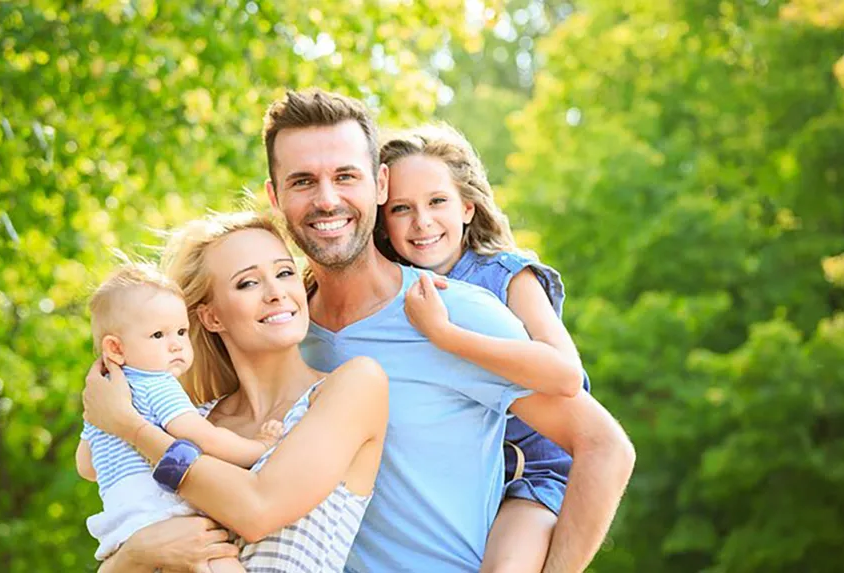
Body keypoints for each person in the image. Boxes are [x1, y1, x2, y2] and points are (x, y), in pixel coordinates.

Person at [85, 89, 635, 573]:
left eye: (345, 175)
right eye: (303, 181)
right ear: (276, 198)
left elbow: (604, 448)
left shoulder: (450, 314)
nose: (326, 199)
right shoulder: (274, 330)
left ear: (380, 183)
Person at [82, 214, 389, 572]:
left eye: (285, 272)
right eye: (247, 283)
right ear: (212, 318)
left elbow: (258, 511)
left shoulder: (353, 386)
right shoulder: (193, 419)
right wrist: (135, 554)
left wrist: (130, 428)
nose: (276, 292)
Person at [375, 123, 591, 572]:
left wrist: (447, 336)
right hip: (454, 487)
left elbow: (567, 375)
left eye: (438, 202)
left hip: (527, 475)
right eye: (401, 208)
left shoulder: (507, 276)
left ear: (468, 208)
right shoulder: (385, 292)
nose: (422, 222)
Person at [77, 263, 285, 571]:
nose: (175, 343)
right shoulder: (157, 384)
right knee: (223, 563)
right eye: (158, 334)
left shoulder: (102, 401)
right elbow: (203, 437)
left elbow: (86, 467)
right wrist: (261, 446)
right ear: (116, 349)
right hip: (161, 508)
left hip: (120, 524)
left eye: (181, 331)